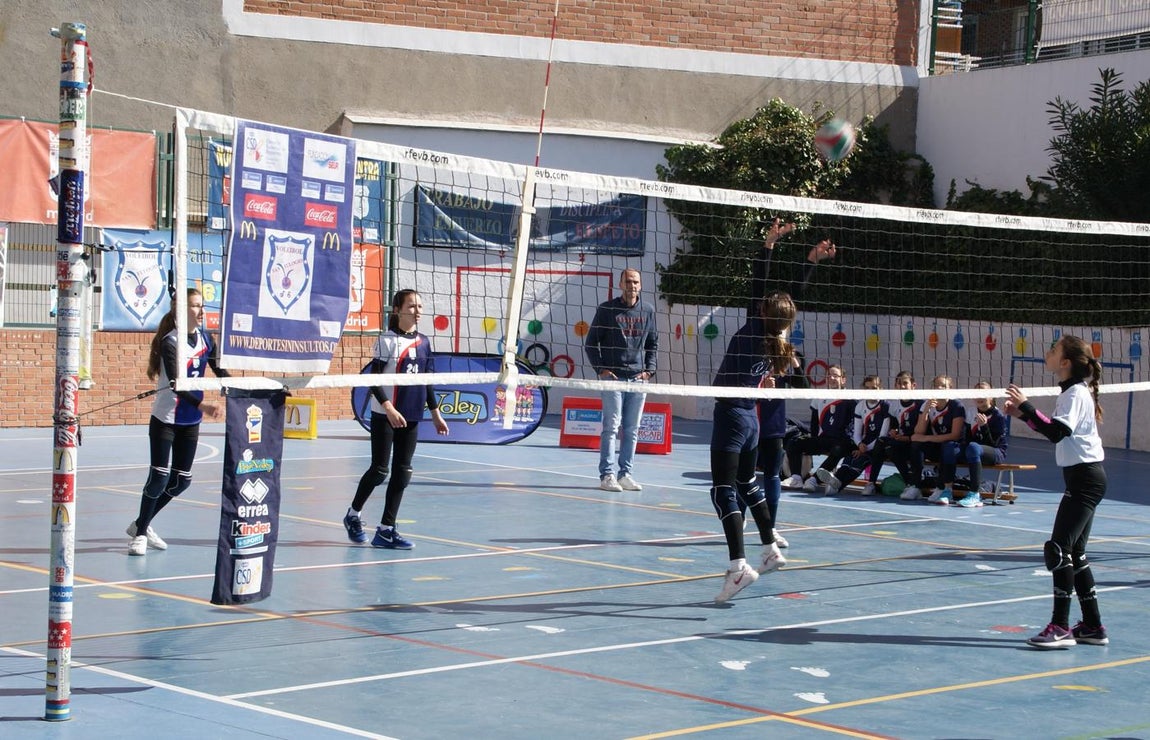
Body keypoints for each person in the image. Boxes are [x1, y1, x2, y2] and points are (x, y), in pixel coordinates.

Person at [1004, 335, 1108, 648]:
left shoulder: (1076, 393)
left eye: (1053, 351)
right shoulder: (1074, 392)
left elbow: (1058, 433)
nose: (1047, 354)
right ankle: (1092, 626)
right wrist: (1022, 415)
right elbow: (1055, 430)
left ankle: (1060, 627)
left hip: (1085, 479)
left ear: (1065, 363)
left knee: (1057, 550)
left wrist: (1026, 406)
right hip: (1084, 477)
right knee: (1076, 553)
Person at [343, 289, 449, 550]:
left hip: (412, 414)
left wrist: (435, 413)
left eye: (420, 306)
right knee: (380, 470)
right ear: (397, 310)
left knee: (403, 472)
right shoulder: (386, 340)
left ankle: (386, 530)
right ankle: (353, 515)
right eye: (412, 306)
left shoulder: (424, 341)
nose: (417, 311)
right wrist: (388, 407)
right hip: (385, 415)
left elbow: (427, 382)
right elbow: (373, 380)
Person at [128, 288, 229, 556]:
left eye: (202, 305)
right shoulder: (171, 341)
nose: (201, 310)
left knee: (181, 480)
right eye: (195, 306)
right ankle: (139, 535)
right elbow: (176, 384)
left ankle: (142, 522)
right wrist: (203, 404)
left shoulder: (207, 339)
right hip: (166, 418)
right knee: (159, 478)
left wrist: (246, 389)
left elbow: (221, 371)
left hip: (190, 421)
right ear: (181, 310)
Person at [752, 226, 836, 547]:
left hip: (773, 411)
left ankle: (769, 529)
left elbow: (795, 294)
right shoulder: (755, 324)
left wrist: (812, 260)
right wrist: (768, 246)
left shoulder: (787, 341)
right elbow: (759, 283)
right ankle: (737, 521)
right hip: (747, 408)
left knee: (773, 473)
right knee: (742, 477)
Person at [584, 268, 658, 492]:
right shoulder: (607, 310)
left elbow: (653, 344)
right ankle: (607, 475)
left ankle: (625, 474)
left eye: (635, 282)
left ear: (640, 285)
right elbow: (590, 343)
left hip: (637, 379)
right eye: (628, 281)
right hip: (613, 379)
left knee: (632, 429)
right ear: (620, 284)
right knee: (611, 427)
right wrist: (601, 369)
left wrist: (649, 371)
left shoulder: (648, 310)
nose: (632, 285)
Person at [783, 364, 855, 493]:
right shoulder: (820, 395)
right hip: (823, 439)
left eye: (835, 376)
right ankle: (796, 478)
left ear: (843, 379)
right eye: (829, 375)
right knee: (794, 442)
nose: (831, 378)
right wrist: (812, 440)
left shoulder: (850, 398)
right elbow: (815, 423)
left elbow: (854, 425)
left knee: (838, 450)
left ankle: (814, 480)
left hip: (841, 441)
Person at [817, 375, 888, 494]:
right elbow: (857, 433)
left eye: (874, 388)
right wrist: (859, 444)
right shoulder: (860, 406)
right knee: (849, 458)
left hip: (879, 445)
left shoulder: (885, 406)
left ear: (881, 388)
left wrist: (863, 449)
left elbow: (883, 435)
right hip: (864, 444)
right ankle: (835, 481)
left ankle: (839, 484)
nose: (870, 391)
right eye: (867, 388)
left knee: (860, 460)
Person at [904, 374, 968, 505]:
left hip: (955, 448)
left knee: (947, 446)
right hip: (937, 445)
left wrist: (926, 438)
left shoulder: (956, 406)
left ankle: (942, 488)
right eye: (936, 385)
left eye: (943, 386)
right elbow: (918, 432)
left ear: (950, 388)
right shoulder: (927, 404)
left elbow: (955, 435)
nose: (939, 388)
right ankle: (916, 486)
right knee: (916, 444)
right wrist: (926, 410)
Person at [862, 370, 920, 496]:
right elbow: (894, 427)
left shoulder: (920, 403)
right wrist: (894, 432)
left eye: (905, 383)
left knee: (897, 447)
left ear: (913, 385)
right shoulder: (894, 405)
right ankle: (871, 483)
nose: (902, 386)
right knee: (882, 442)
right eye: (899, 383)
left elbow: (923, 430)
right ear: (895, 386)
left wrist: (906, 437)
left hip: (916, 441)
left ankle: (912, 485)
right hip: (901, 442)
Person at [959, 380, 1009, 505]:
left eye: (984, 393)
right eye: (977, 393)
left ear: (991, 396)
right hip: (973, 451)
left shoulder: (998, 416)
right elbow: (965, 438)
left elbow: (993, 444)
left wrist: (985, 427)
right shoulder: (971, 412)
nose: (979, 396)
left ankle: (975, 494)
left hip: (996, 453)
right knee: (949, 448)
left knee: (973, 447)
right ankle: (944, 489)